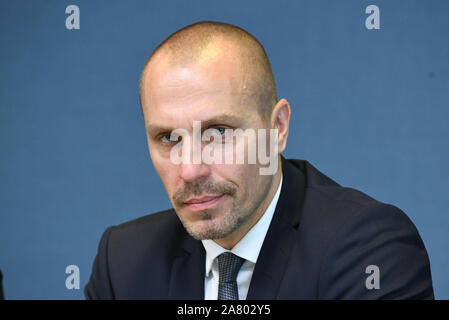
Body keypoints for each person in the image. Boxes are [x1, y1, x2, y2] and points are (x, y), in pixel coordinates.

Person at [84, 21, 434, 300]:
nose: (189, 169)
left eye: (219, 132)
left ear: (277, 129)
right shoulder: (123, 262)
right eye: (168, 138)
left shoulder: (369, 248)